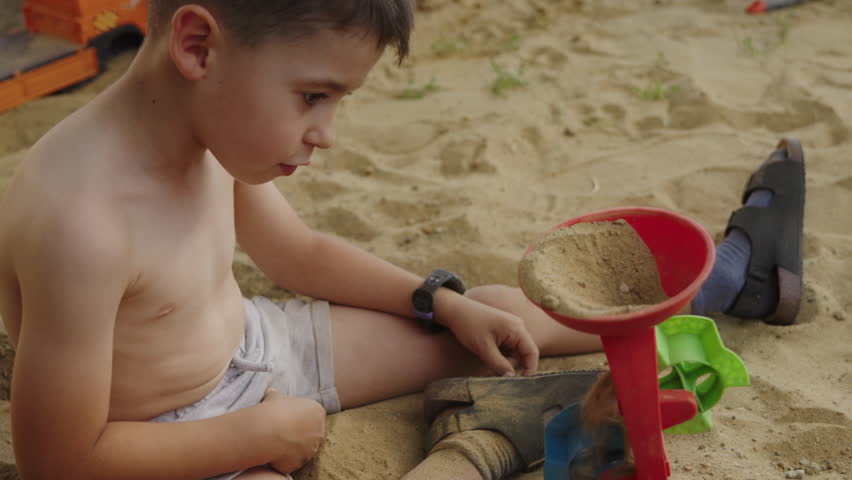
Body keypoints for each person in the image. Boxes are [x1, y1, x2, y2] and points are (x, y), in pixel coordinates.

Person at [0, 0, 805, 479]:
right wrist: (256, 434)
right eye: (313, 95)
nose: (328, 136)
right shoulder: (85, 225)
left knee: (493, 320)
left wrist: (440, 303)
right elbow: (60, 461)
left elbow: (300, 256)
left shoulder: (209, 132)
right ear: (199, 46)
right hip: (165, 435)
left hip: (259, 348)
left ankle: (726, 287)